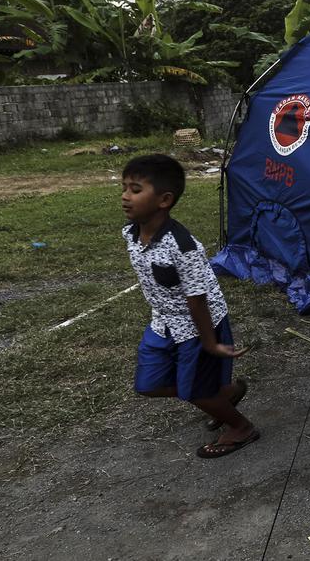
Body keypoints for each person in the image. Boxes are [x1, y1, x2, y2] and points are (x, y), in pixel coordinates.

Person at [120, 154, 260, 458]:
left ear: (164, 200)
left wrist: (210, 344)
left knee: (194, 390)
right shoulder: (130, 233)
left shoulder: (184, 247)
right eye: (124, 188)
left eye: (134, 189)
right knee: (149, 384)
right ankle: (224, 393)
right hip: (163, 321)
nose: (125, 196)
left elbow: (197, 300)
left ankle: (240, 427)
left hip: (199, 325)